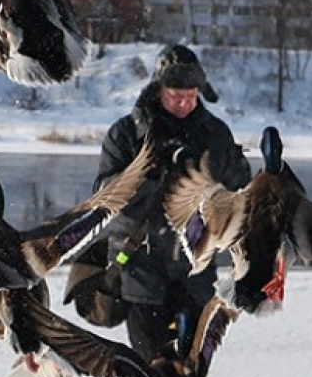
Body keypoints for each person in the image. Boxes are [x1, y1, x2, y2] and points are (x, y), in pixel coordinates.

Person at [90, 44, 252, 360]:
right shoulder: (126, 134)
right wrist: (149, 174)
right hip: (140, 268)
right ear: (158, 90)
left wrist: (225, 166)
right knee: (151, 373)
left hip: (196, 271)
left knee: (193, 372)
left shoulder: (215, 133)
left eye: (190, 96)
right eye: (175, 95)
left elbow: (240, 190)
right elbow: (103, 198)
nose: (183, 103)